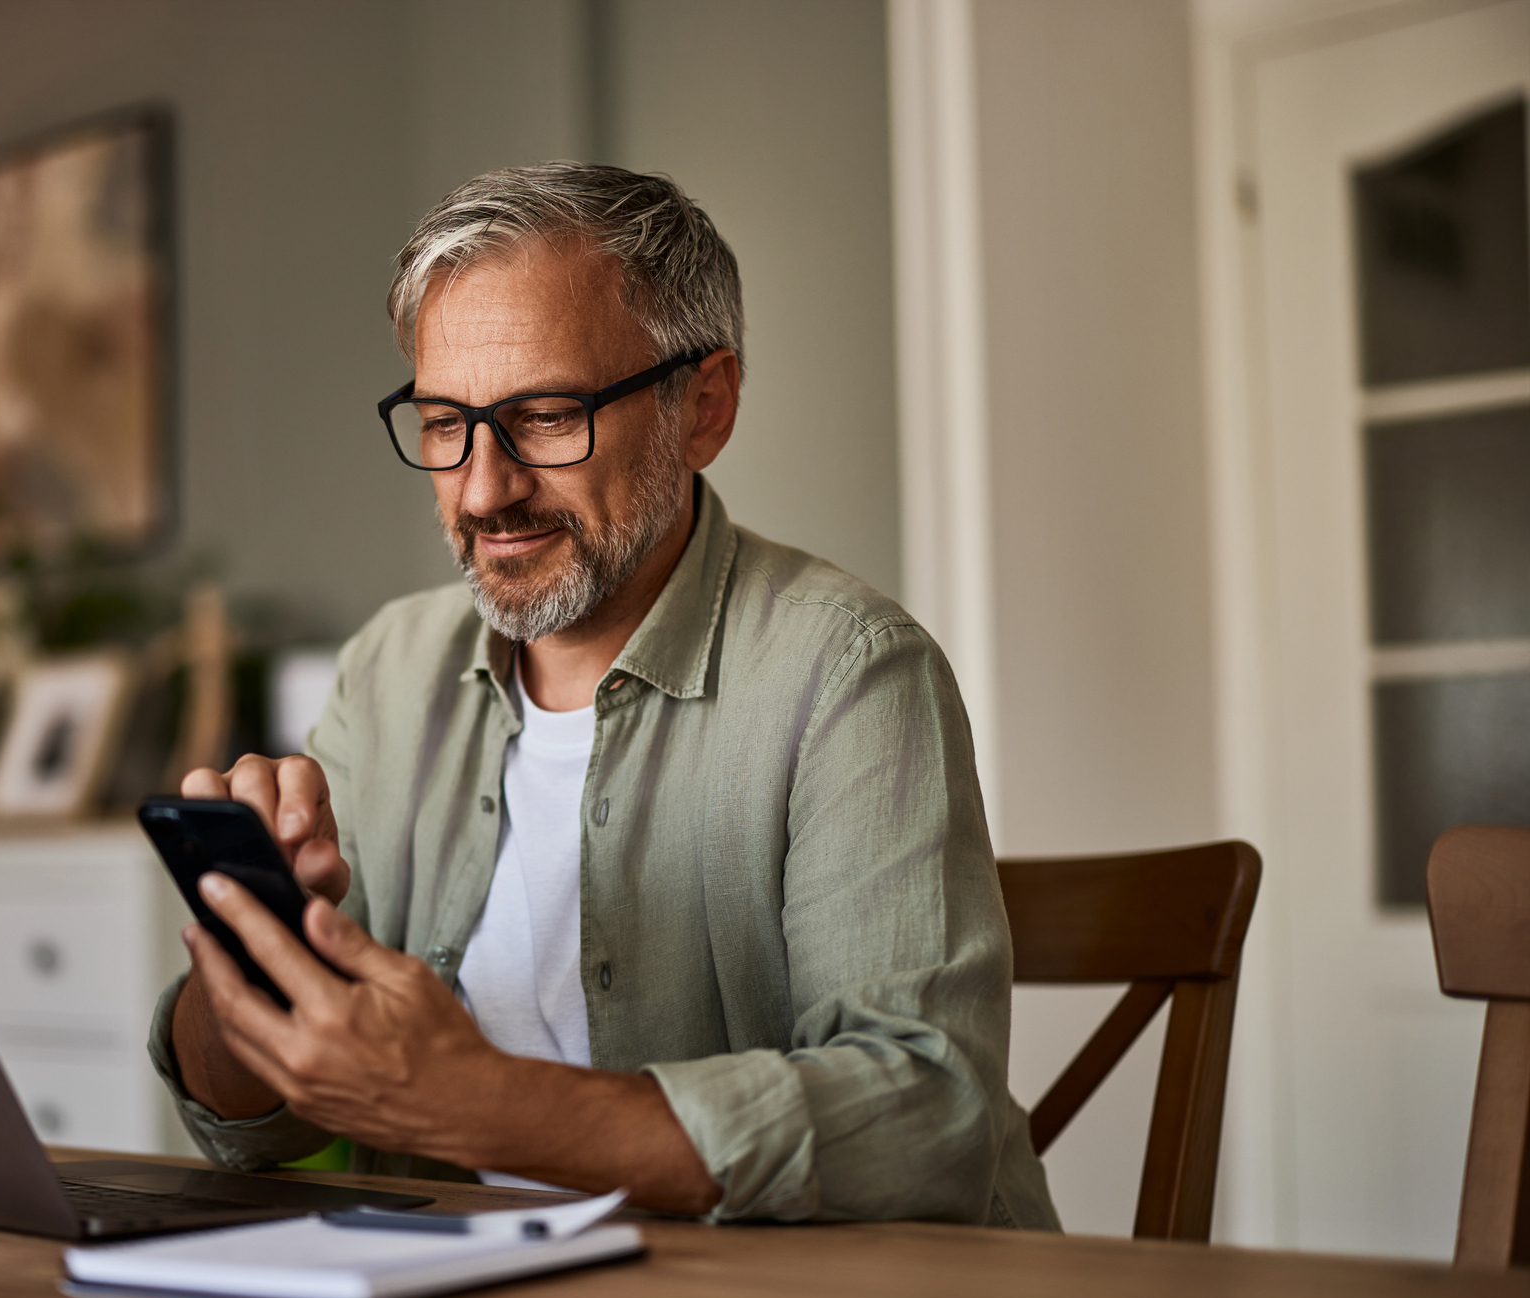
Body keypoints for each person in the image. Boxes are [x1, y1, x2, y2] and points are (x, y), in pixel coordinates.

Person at [149, 162, 1058, 1227]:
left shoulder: (850, 672)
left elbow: (922, 1120)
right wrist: (250, 961)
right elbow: (246, 1125)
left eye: (543, 415)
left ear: (703, 406)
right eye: (444, 423)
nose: (484, 488)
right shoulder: (388, 670)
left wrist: (477, 1103)